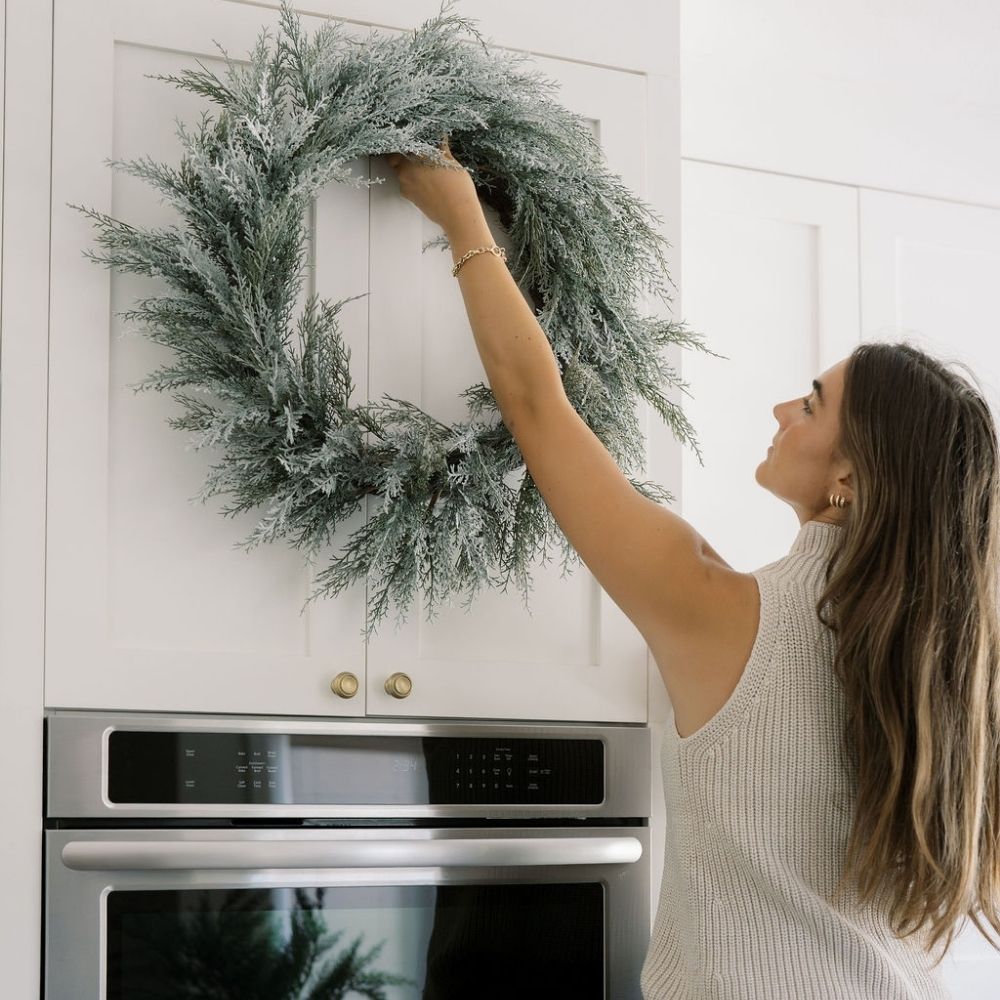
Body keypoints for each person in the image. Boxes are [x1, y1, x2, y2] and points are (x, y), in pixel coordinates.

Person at [385, 139, 1000, 998]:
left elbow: (536, 406)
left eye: (814, 403)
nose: (784, 408)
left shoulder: (719, 608)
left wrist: (460, 216)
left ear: (849, 481)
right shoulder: (968, 688)